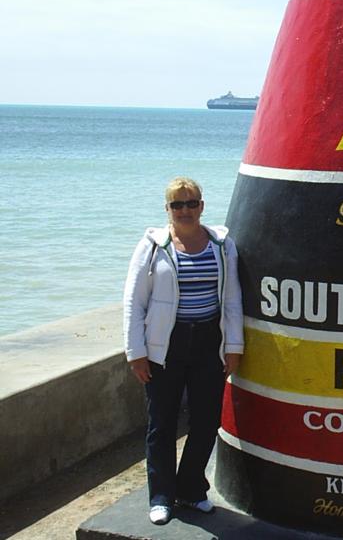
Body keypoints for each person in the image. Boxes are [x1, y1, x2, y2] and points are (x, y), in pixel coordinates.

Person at [123, 177, 244, 525]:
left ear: (202, 206)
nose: (185, 210)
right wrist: (136, 351)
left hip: (209, 341)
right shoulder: (153, 247)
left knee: (207, 421)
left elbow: (232, 298)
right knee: (161, 423)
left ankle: (191, 489)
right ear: (168, 210)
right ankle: (161, 495)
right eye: (178, 205)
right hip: (166, 345)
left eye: (191, 203)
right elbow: (134, 302)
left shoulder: (221, 244)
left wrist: (233, 346)